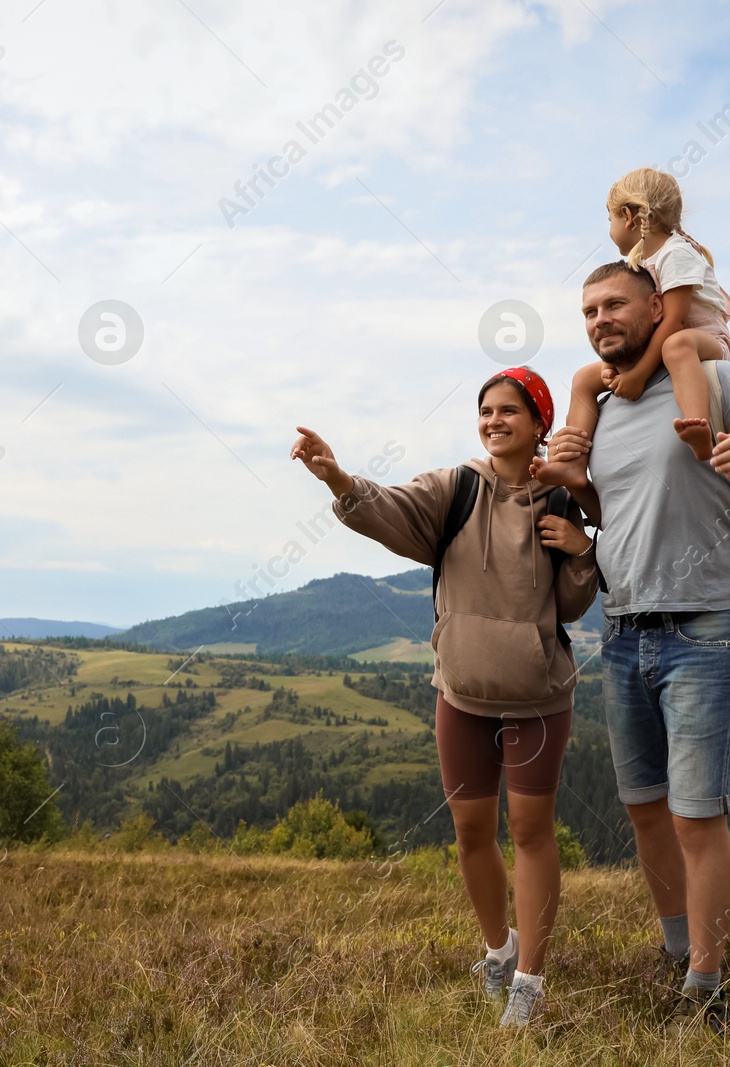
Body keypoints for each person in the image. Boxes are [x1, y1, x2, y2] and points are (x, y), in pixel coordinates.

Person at [533, 261, 730, 1035]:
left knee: (698, 818)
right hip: (623, 630)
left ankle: (706, 983)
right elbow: (619, 507)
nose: (600, 319)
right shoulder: (604, 407)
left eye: (615, 304)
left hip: (706, 629)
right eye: (589, 309)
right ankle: (677, 953)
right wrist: (578, 496)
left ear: (655, 306)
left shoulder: (719, 380)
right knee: (645, 812)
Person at [291, 367, 598, 1029]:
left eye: (509, 410)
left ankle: (530, 981)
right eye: (486, 410)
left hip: (538, 696)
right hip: (460, 693)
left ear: (539, 423)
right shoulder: (454, 487)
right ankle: (497, 950)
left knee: (533, 834)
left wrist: (581, 551)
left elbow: (572, 602)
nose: (494, 420)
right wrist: (338, 480)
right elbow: (390, 508)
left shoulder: (561, 498)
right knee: (469, 832)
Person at [539, 167, 730, 489]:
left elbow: (672, 320)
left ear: (628, 216)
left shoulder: (676, 253)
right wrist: (610, 368)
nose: (611, 228)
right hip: (671, 339)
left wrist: (638, 375)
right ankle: (573, 466)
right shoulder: (642, 263)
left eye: (610, 219)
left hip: (706, 337)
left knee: (678, 346)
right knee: (584, 378)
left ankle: (699, 427)